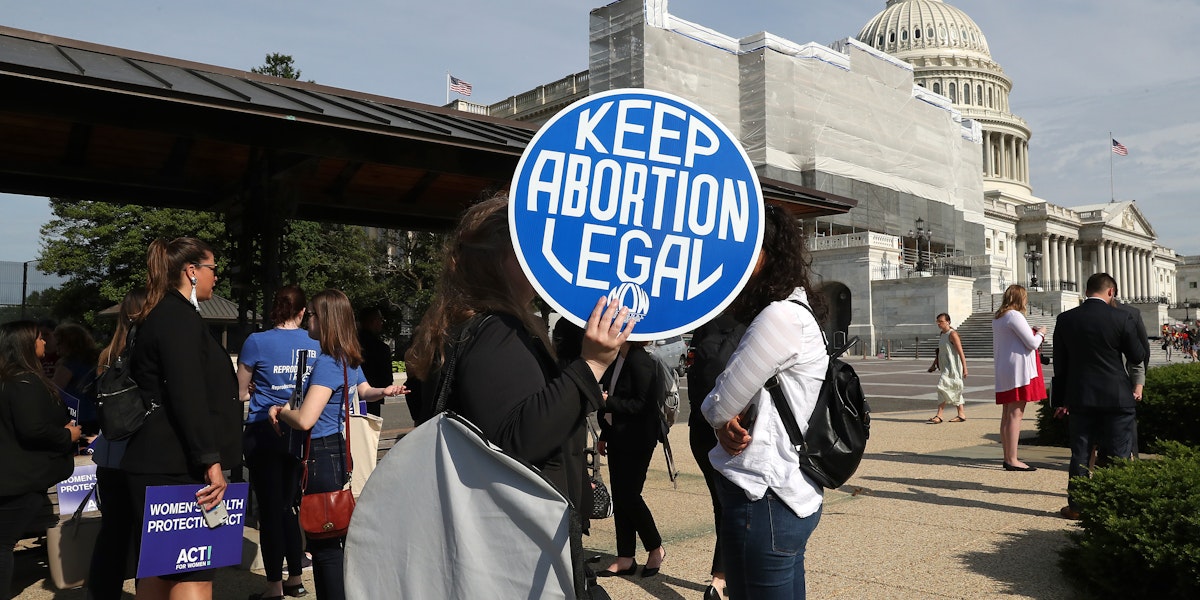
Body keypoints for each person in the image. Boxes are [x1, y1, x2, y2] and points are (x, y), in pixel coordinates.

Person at [405, 195, 631, 599]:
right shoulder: (497, 330)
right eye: (529, 246)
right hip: (520, 550)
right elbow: (520, 439)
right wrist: (592, 365)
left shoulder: (461, 324)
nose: (540, 260)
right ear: (499, 258)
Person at [701, 204, 829, 600]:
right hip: (788, 492)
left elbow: (718, 405)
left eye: (744, 247)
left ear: (766, 255)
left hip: (764, 496)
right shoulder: (799, 311)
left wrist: (720, 417)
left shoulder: (779, 317)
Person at [123, 237, 242, 600]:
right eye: (212, 269)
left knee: (159, 570)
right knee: (193, 572)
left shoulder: (160, 314)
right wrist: (211, 461)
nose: (215, 277)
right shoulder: (178, 318)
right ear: (192, 271)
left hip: (159, 460)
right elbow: (188, 395)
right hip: (178, 465)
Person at [270, 289, 404, 600]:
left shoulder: (328, 363)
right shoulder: (346, 357)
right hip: (336, 452)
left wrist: (278, 411)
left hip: (319, 455)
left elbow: (305, 419)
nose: (308, 319)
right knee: (330, 539)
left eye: (313, 314)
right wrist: (385, 391)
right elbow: (364, 390)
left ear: (326, 320)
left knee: (324, 544)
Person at [238, 285, 320, 600]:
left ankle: (274, 585)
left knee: (270, 510)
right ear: (302, 311)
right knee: (290, 506)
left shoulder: (256, 342)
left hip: (263, 430)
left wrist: (257, 388)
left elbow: (240, 392)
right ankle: (295, 578)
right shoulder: (316, 343)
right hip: (299, 429)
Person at [1052, 273, 1145, 520]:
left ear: (1086, 291)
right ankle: (1114, 506)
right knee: (1118, 454)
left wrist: (1060, 401)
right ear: (1111, 292)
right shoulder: (1122, 317)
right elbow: (1137, 355)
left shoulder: (1065, 319)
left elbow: (1060, 365)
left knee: (1081, 453)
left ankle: (1077, 506)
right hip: (1116, 396)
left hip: (1080, 395)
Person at [0, 321, 80, 600]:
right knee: (3, 543)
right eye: (39, 338)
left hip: (13, 479)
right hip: (20, 482)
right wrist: (67, 435)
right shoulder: (24, 381)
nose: (44, 342)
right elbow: (32, 429)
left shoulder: (10, 380)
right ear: (24, 344)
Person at [87, 289, 146, 600]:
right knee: (143, 536)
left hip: (108, 455)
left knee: (112, 533)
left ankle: (101, 593)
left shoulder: (106, 356)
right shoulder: (143, 355)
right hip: (136, 454)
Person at [686, 312, 747, 600]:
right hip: (729, 429)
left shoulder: (704, 325)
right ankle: (721, 579)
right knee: (733, 506)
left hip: (700, 427)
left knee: (722, 504)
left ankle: (724, 576)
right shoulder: (745, 324)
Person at [596, 340, 666, 579]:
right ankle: (625, 557)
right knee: (620, 496)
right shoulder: (619, 358)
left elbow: (642, 404)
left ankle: (655, 547)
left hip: (637, 439)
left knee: (629, 495)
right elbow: (614, 395)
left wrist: (607, 401)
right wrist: (605, 434)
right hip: (618, 435)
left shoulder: (640, 360)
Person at [991, 284, 1046, 472]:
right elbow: (1032, 343)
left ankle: (1008, 456)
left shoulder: (999, 317)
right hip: (1018, 370)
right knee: (1016, 414)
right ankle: (1012, 459)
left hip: (1004, 367)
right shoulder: (1014, 315)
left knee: (1007, 414)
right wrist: (1041, 333)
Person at [52, 323, 100, 436]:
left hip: (76, 416)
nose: (56, 347)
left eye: (59, 343)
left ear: (70, 344)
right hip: (95, 414)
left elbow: (55, 389)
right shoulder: (95, 360)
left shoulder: (69, 364)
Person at [926, 312, 968, 424]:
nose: (939, 324)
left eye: (941, 321)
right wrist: (934, 365)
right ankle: (961, 414)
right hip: (945, 366)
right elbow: (940, 352)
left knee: (942, 387)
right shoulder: (942, 334)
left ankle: (939, 415)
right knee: (954, 388)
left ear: (948, 322)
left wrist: (965, 368)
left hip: (953, 367)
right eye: (938, 322)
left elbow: (961, 352)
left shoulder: (952, 334)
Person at [356, 307, 392, 417]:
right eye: (380, 319)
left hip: (352, 397)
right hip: (373, 397)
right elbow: (386, 379)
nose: (382, 323)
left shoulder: (350, 346)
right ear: (373, 321)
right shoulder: (381, 348)